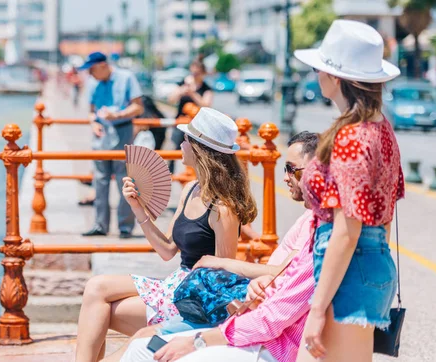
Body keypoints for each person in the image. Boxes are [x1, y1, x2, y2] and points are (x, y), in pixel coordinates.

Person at [102, 131, 320, 362]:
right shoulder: (310, 221)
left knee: (143, 345)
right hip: (205, 299)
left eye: (291, 169)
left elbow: (261, 309)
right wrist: (138, 208)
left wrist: (198, 340)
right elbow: (282, 277)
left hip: (217, 312)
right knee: (117, 314)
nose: (285, 177)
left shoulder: (222, 208)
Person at [75, 108, 258, 362]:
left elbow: (222, 276)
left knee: (99, 313)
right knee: (96, 288)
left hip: (191, 298)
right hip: (172, 283)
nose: (180, 144)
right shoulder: (191, 188)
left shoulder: (222, 209)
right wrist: (137, 207)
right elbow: (167, 250)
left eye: (186, 140)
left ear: (199, 150)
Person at [293, 20, 404, 361]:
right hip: (371, 262)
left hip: (347, 268)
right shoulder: (381, 130)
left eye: (319, 68)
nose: (316, 74)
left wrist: (316, 309)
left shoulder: (350, 137)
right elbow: (383, 216)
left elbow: (346, 230)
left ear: (336, 78)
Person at [78, 52, 145, 239]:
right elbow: (91, 111)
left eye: (92, 69)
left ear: (102, 65)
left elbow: (138, 106)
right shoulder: (93, 83)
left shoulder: (126, 78)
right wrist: (94, 122)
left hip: (122, 129)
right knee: (100, 181)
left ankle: (125, 226)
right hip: (102, 133)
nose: (90, 74)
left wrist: (118, 115)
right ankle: (100, 225)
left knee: (124, 180)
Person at [168, 57, 214, 173]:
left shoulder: (206, 88)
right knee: (175, 149)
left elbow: (206, 105)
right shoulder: (183, 84)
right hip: (180, 122)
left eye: (197, 73)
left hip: (197, 125)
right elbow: (171, 99)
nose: (194, 75)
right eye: (193, 72)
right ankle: (173, 173)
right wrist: (182, 90)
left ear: (202, 73)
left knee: (197, 150)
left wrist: (192, 94)